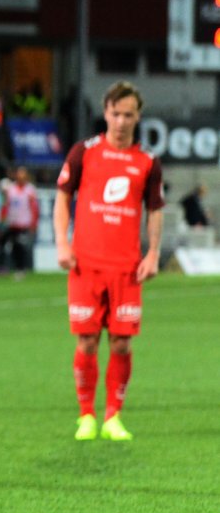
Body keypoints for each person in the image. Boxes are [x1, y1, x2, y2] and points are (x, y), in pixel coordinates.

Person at [53, 81, 163, 442]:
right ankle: (86, 415)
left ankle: (113, 416)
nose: (121, 121)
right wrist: (62, 243)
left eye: (128, 115)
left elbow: (155, 210)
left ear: (138, 116)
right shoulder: (83, 153)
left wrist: (153, 252)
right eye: (116, 114)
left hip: (126, 269)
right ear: (106, 113)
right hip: (85, 265)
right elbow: (62, 198)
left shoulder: (147, 162)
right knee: (86, 341)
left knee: (121, 343)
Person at [1, 166, 39, 279]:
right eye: (19, 174)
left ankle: (21, 268)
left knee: (21, 246)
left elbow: (34, 207)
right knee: (13, 246)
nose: (21, 177)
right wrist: (3, 217)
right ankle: (13, 267)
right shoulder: (11, 188)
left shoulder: (30, 190)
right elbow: (6, 205)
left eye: (23, 175)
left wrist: (34, 222)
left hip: (24, 223)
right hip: (12, 222)